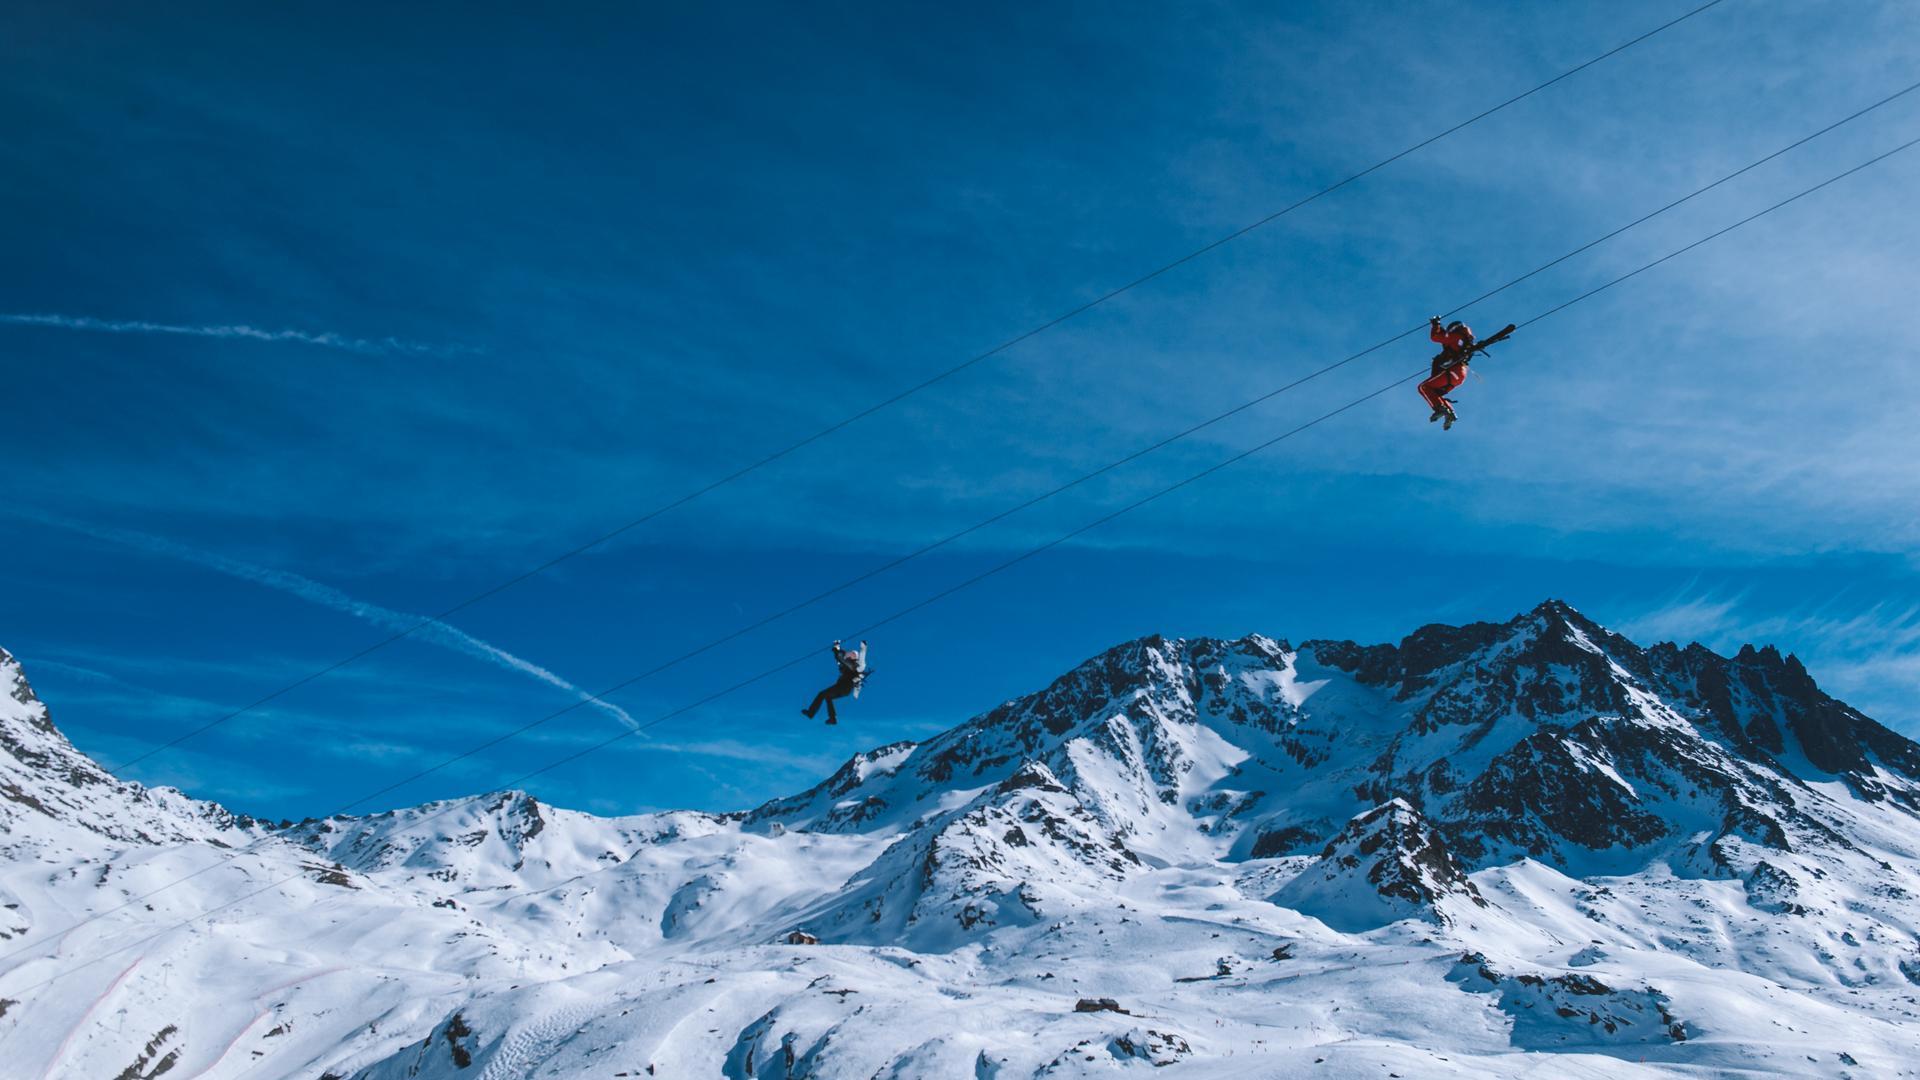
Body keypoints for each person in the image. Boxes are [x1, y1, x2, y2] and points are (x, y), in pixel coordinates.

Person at [1419, 316, 1477, 430]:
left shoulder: (1456, 337)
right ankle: (1449, 413)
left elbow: (1436, 337)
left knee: (1424, 387)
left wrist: (1436, 325)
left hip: (1452, 371)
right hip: (1460, 375)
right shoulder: (1464, 342)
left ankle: (1440, 409)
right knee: (1435, 394)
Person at [802, 640, 868, 725]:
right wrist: (837, 647)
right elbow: (840, 658)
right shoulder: (848, 663)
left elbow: (840, 658)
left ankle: (811, 713)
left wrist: (836, 649)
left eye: (851, 653)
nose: (848, 653)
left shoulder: (852, 664)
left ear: (854, 657)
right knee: (828, 697)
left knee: (822, 694)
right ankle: (833, 718)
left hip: (844, 687)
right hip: (844, 689)